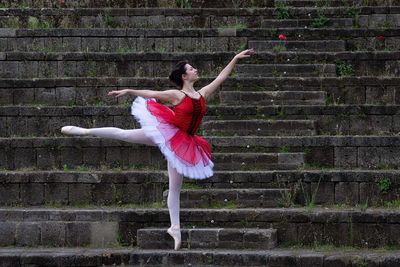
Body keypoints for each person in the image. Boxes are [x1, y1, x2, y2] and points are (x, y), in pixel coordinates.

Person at [60, 48, 254, 250]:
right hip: (168, 133)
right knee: (126, 134)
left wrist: (234, 58)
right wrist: (129, 91)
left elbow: (221, 77)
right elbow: (152, 94)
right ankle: (85, 131)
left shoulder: (202, 93)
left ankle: (175, 228)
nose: (196, 70)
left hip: (185, 142)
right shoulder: (176, 95)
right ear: (184, 76)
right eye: (191, 68)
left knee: (175, 187)